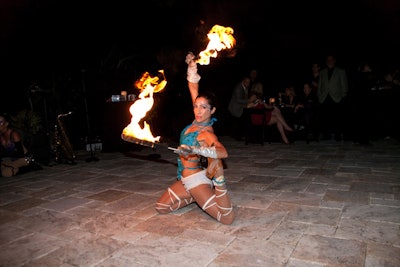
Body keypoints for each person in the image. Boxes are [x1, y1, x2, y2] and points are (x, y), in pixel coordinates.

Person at [155, 52, 234, 225]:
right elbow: (193, 88)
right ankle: (196, 198)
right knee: (161, 207)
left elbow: (222, 152)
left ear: (212, 111)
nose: (198, 110)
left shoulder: (206, 132)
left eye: (203, 107)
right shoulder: (195, 120)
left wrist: (194, 149)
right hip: (184, 179)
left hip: (196, 179)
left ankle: (217, 184)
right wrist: (192, 66)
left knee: (226, 219)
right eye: (196, 106)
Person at [317, 54, 348, 141]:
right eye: (328, 60)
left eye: (331, 59)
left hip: (336, 97)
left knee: (337, 117)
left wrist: (343, 96)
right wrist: (319, 96)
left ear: (334, 61)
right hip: (324, 97)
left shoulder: (341, 71)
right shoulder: (322, 72)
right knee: (325, 117)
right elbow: (320, 85)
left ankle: (337, 135)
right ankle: (326, 135)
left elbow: (344, 85)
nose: (329, 61)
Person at [0, 113, 39, 177]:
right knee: (4, 166)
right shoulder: (1, 136)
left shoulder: (13, 134)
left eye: (0, 122)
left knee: (6, 173)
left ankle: (27, 167)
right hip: (11, 159)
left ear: (6, 124)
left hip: (25, 158)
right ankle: (11, 168)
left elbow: (20, 153)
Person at [227, 75, 251, 140]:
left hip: (240, 107)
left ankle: (239, 136)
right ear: (243, 81)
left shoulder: (245, 87)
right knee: (237, 122)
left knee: (239, 122)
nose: (248, 83)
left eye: (249, 82)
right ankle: (237, 136)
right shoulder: (238, 88)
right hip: (235, 108)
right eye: (246, 82)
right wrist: (250, 100)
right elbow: (238, 100)